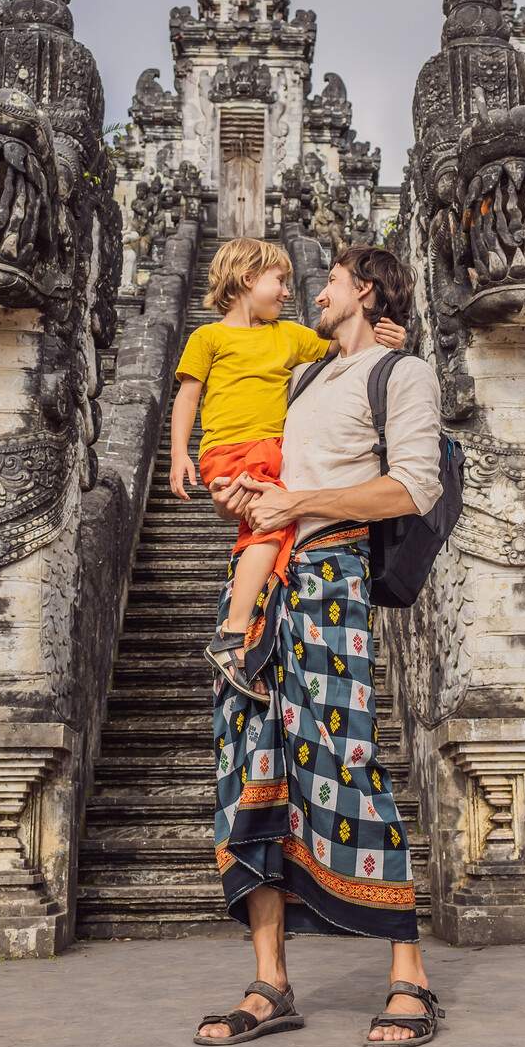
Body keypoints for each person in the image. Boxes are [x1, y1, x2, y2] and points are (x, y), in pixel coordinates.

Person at [193, 245, 446, 1047]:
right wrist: (245, 495)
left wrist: (302, 502)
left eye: (331, 281)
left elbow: (413, 486)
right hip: (261, 574)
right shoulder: (301, 377)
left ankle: (410, 974)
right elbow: (266, 462)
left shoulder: (400, 374)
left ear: (362, 292)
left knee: (344, 754)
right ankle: (271, 981)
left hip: (331, 571)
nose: (316, 291)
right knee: (250, 770)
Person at [169, 238, 401, 702]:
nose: (289, 293)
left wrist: (390, 338)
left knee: (272, 529)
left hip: (274, 450)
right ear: (247, 279)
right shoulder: (208, 337)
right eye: (279, 281)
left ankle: (245, 630)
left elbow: (346, 341)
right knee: (270, 531)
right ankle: (233, 634)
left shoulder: (287, 335)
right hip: (232, 449)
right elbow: (188, 396)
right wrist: (179, 454)